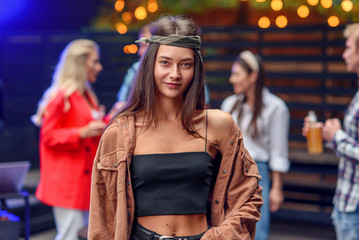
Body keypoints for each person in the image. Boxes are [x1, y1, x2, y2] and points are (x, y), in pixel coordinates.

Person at [88, 15, 263, 240]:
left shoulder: (218, 125)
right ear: (150, 64)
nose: (175, 74)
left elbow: (249, 197)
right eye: (165, 62)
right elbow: (102, 214)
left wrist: (219, 236)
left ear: (196, 69)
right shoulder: (120, 131)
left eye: (185, 65)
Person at [31, 39, 117, 240]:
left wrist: (111, 117)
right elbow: (48, 136)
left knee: (80, 234)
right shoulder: (60, 96)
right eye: (95, 62)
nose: (99, 67)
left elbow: (89, 128)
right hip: (67, 183)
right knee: (70, 234)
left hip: (84, 181)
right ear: (80, 63)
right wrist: (81, 132)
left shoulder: (85, 93)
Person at [221, 50, 290, 240]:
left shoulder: (276, 107)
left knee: (256, 230)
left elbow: (278, 152)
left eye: (236, 74)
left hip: (259, 175)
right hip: (230, 173)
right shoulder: (229, 104)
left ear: (252, 76)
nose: (231, 79)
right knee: (228, 228)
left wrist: (277, 188)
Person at [303, 23, 359, 240]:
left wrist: (336, 136)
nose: (344, 54)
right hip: (347, 201)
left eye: (348, 48)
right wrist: (327, 135)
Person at [116, 24, 212, 107]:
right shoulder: (136, 68)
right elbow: (120, 103)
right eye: (165, 62)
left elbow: (203, 103)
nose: (174, 74)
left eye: (145, 46)